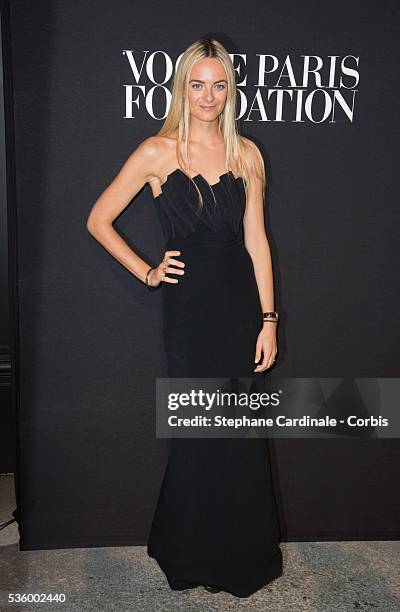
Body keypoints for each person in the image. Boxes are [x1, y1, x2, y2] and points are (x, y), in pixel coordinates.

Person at [86, 36, 283, 598]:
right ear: (182, 87)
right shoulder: (155, 152)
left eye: (220, 85)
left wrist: (269, 319)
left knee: (241, 436)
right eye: (198, 84)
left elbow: (257, 242)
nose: (209, 95)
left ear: (230, 90)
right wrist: (147, 271)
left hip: (239, 311)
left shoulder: (248, 154)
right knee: (197, 434)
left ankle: (240, 555)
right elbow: (99, 220)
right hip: (189, 315)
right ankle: (187, 551)